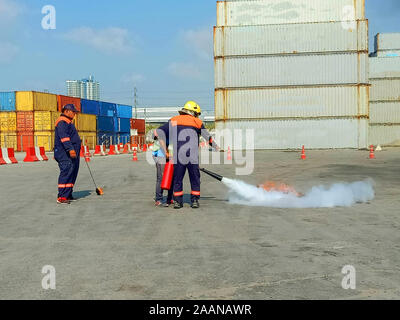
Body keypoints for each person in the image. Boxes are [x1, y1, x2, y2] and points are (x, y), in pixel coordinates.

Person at [156, 101, 220, 209]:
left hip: (178, 156)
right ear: (194, 112)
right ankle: (194, 201)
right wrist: (216, 146)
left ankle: (177, 202)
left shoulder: (174, 120)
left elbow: (159, 132)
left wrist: (165, 151)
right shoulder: (197, 122)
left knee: (177, 178)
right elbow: (207, 137)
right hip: (192, 156)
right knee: (195, 178)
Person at [54, 104, 81, 204]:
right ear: (66, 111)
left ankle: (67, 194)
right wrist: (70, 149)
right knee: (66, 173)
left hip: (71, 153)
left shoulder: (68, 122)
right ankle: (61, 197)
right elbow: (64, 137)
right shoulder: (62, 122)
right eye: (73, 112)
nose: (74, 114)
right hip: (65, 153)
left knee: (72, 173)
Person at [152, 132, 174, 207]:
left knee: (171, 177)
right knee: (161, 178)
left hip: (169, 156)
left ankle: (170, 198)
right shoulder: (164, 133)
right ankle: (159, 199)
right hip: (161, 156)